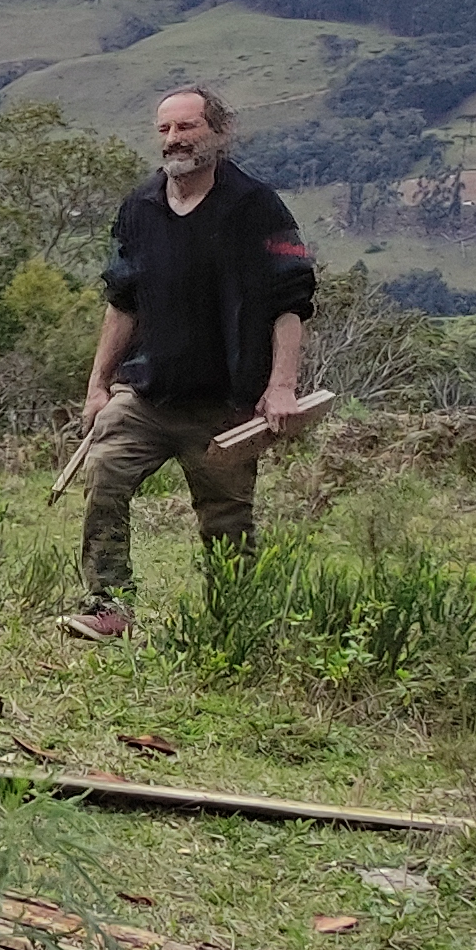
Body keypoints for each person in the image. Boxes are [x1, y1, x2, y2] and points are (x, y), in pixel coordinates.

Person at [66, 85, 316, 641]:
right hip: (147, 395)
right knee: (104, 479)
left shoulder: (256, 207)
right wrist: (98, 385)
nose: (174, 139)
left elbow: (291, 301)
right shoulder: (140, 206)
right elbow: (122, 302)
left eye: (187, 127)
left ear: (219, 132)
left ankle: (236, 626)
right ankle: (109, 607)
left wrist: (282, 386)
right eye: (165, 129)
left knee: (226, 520)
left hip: (225, 403)